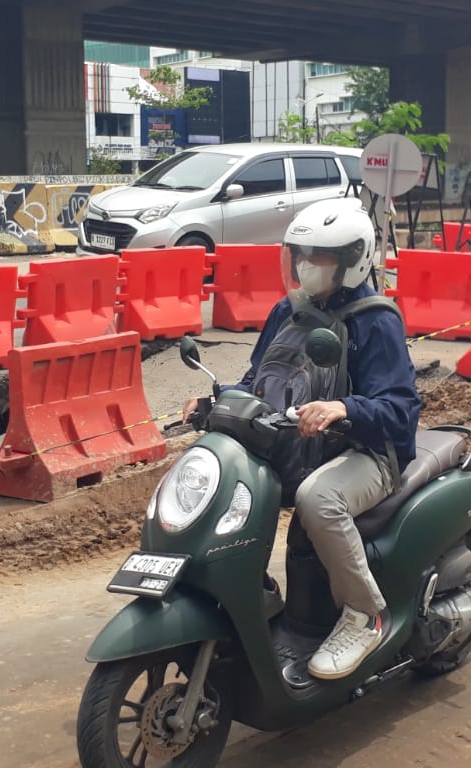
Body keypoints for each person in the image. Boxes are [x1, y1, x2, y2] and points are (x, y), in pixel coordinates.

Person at [187, 198, 420, 681]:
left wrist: (345, 408)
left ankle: (365, 613)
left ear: (354, 260)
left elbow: (400, 409)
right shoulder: (287, 311)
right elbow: (258, 381)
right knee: (224, 473)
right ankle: (247, 590)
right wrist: (215, 400)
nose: (307, 266)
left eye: (322, 257)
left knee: (318, 499)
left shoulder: (377, 321)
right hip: (296, 440)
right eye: (302, 255)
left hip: (368, 452)